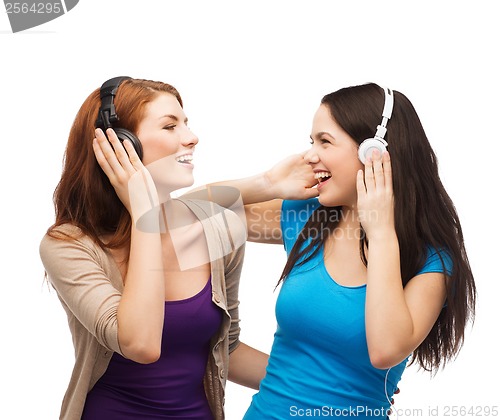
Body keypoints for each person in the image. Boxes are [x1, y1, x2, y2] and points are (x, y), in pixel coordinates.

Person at [209, 83, 476, 419]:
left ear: (374, 152)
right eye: (311, 142)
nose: (309, 155)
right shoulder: (306, 219)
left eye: (325, 141)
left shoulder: (431, 261)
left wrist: (380, 232)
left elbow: (384, 351)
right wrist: (265, 183)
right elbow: (179, 215)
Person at [39, 77, 268, 420]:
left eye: (186, 123)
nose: (192, 137)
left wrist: (325, 385)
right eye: (170, 126)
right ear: (121, 145)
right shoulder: (69, 246)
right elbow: (141, 345)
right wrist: (143, 215)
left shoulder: (214, 232)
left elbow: (226, 349)